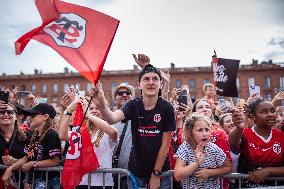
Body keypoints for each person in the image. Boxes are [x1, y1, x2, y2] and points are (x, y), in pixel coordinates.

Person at [90, 63, 176, 189]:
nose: (151, 82)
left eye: (155, 79)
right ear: (139, 85)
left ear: (161, 84)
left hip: (161, 172)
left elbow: (165, 144)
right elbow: (112, 118)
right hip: (136, 173)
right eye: (146, 79)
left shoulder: (167, 108)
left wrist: (156, 173)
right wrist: (102, 105)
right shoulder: (133, 105)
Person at [59, 96, 118, 189]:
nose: (94, 110)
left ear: (104, 111)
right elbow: (62, 135)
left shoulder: (108, 131)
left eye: (98, 108)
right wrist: (68, 110)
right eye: (91, 108)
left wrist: (89, 114)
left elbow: (113, 132)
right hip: (81, 182)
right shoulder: (82, 131)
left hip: (101, 184)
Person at [2, 103, 61, 189]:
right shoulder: (34, 135)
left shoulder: (51, 134)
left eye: (33, 115)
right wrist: (10, 169)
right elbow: (26, 157)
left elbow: (55, 161)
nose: (30, 118)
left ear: (45, 117)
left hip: (49, 181)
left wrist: (33, 163)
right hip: (35, 180)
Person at [229, 98, 284, 187]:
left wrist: (267, 171)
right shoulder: (246, 133)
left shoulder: (281, 136)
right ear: (254, 117)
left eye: (272, 111)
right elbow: (233, 143)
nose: (270, 114)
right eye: (264, 112)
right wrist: (239, 128)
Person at [174, 113, 232, 189]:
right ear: (190, 133)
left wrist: (209, 172)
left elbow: (228, 167)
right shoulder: (185, 148)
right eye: (200, 130)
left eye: (207, 130)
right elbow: (178, 175)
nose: (205, 134)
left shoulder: (213, 148)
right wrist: (196, 163)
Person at [0, 101, 31, 188]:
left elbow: (32, 156)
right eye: (1, 112)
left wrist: (16, 162)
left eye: (10, 112)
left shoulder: (28, 134)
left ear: (16, 117)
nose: (6, 114)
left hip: (20, 183)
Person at [111, 83, 135, 189]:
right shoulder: (109, 119)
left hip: (135, 174)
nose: (124, 95)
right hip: (114, 174)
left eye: (128, 93)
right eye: (120, 93)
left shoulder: (139, 115)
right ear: (115, 98)